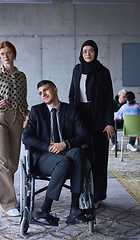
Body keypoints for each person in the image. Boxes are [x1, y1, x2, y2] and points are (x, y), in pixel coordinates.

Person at [22, 80, 90, 226]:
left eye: (46, 90)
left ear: (55, 89)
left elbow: (85, 135)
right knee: (64, 161)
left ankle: (74, 209)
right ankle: (45, 210)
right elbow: (26, 137)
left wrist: (65, 144)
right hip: (43, 157)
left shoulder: (70, 110)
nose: (43, 94)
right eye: (40, 93)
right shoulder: (37, 111)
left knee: (77, 153)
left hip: (67, 151)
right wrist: (49, 147)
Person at [69, 39, 115, 207]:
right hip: (80, 115)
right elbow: (72, 94)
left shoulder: (103, 72)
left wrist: (110, 123)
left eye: (91, 51)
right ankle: (84, 194)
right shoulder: (76, 70)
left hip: (99, 117)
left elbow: (109, 100)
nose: (87, 54)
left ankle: (98, 196)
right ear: (81, 54)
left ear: (96, 53)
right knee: (82, 156)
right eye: (84, 51)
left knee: (99, 157)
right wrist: (72, 118)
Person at [0, 41, 29, 217]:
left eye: (8, 53)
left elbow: (24, 100)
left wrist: (28, 114)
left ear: (14, 54)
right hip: (0, 118)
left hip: (17, 119)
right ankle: (8, 203)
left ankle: (9, 196)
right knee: (2, 160)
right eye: (2, 54)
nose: (5, 56)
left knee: (12, 162)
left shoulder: (22, 76)